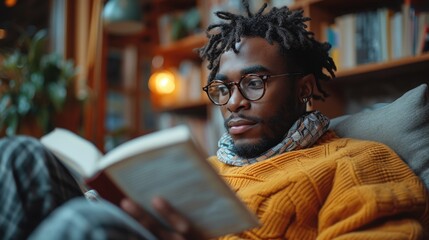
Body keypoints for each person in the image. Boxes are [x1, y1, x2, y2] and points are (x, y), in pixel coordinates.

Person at [1, 1, 428, 239]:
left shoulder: (358, 164)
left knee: (83, 224)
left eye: (255, 83)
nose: (234, 103)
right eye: (223, 88)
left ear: (303, 89)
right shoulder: (199, 172)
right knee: (19, 155)